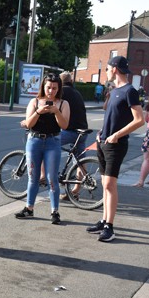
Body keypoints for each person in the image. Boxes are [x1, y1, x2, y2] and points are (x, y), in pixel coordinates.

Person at [86, 56, 144, 242]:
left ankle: (110, 226)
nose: (108, 72)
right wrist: (102, 132)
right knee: (104, 184)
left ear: (115, 69)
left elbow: (139, 120)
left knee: (110, 185)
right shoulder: (114, 90)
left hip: (116, 144)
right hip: (104, 142)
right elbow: (112, 117)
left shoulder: (129, 91)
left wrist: (116, 135)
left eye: (109, 68)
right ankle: (103, 220)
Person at [15, 73, 70, 225]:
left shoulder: (63, 104)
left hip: (53, 141)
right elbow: (29, 123)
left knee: (52, 178)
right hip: (35, 141)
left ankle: (55, 211)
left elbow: (64, 125)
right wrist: (39, 111)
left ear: (58, 89)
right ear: (43, 87)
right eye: (48, 87)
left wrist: (56, 112)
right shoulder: (34, 101)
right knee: (33, 177)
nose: (50, 91)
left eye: (54, 88)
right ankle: (29, 208)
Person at [58, 71, 89, 201]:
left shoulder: (62, 92)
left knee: (48, 142)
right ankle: (76, 190)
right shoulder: (76, 92)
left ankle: (46, 176)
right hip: (82, 131)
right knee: (80, 160)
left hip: (71, 131)